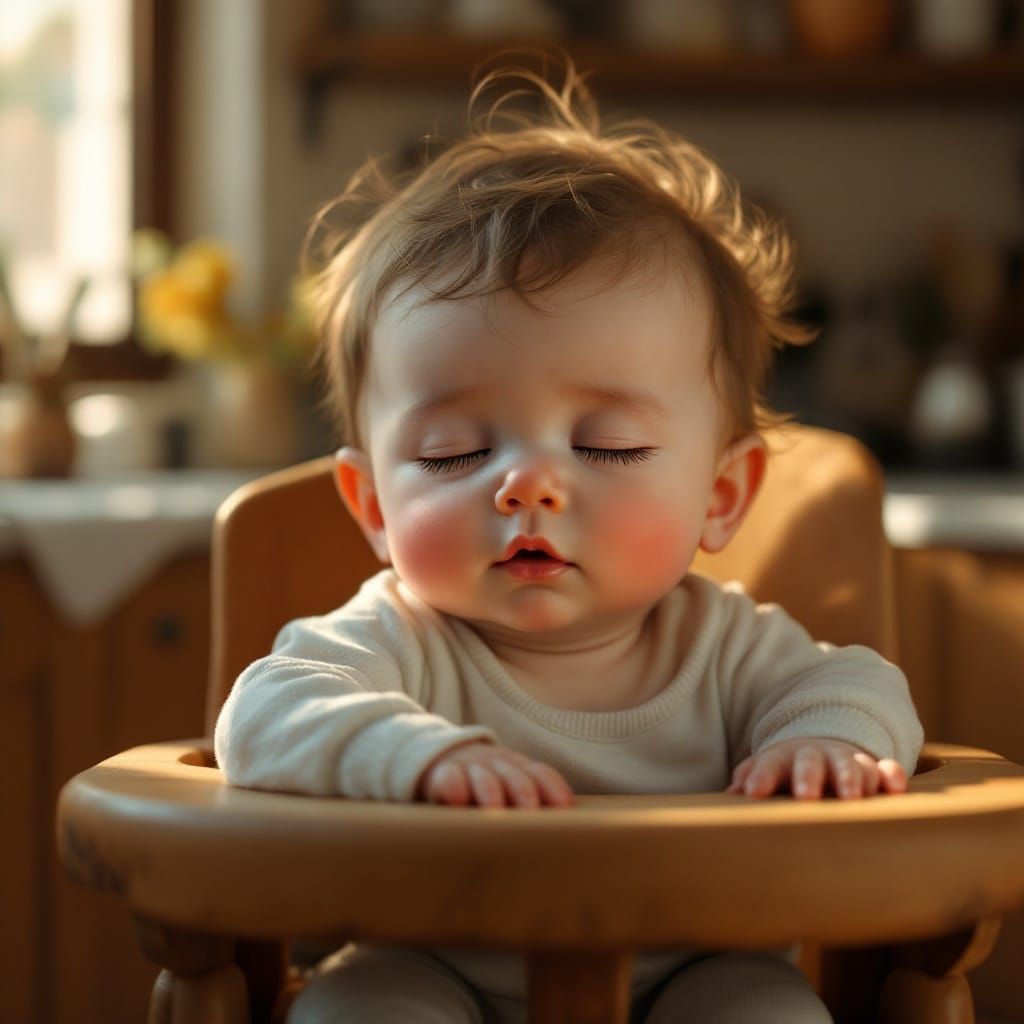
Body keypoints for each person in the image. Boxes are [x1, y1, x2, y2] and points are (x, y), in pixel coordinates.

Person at [214, 59, 924, 1024]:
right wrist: (415, 756)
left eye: (608, 445)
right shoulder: (395, 644)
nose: (529, 482)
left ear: (721, 496)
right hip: (432, 964)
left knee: (771, 1012)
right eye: (454, 452)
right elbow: (262, 713)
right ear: (373, 504)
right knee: (355, 1008)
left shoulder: (726, 648)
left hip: (693, 970)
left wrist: (826, 741)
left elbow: (862, 683)